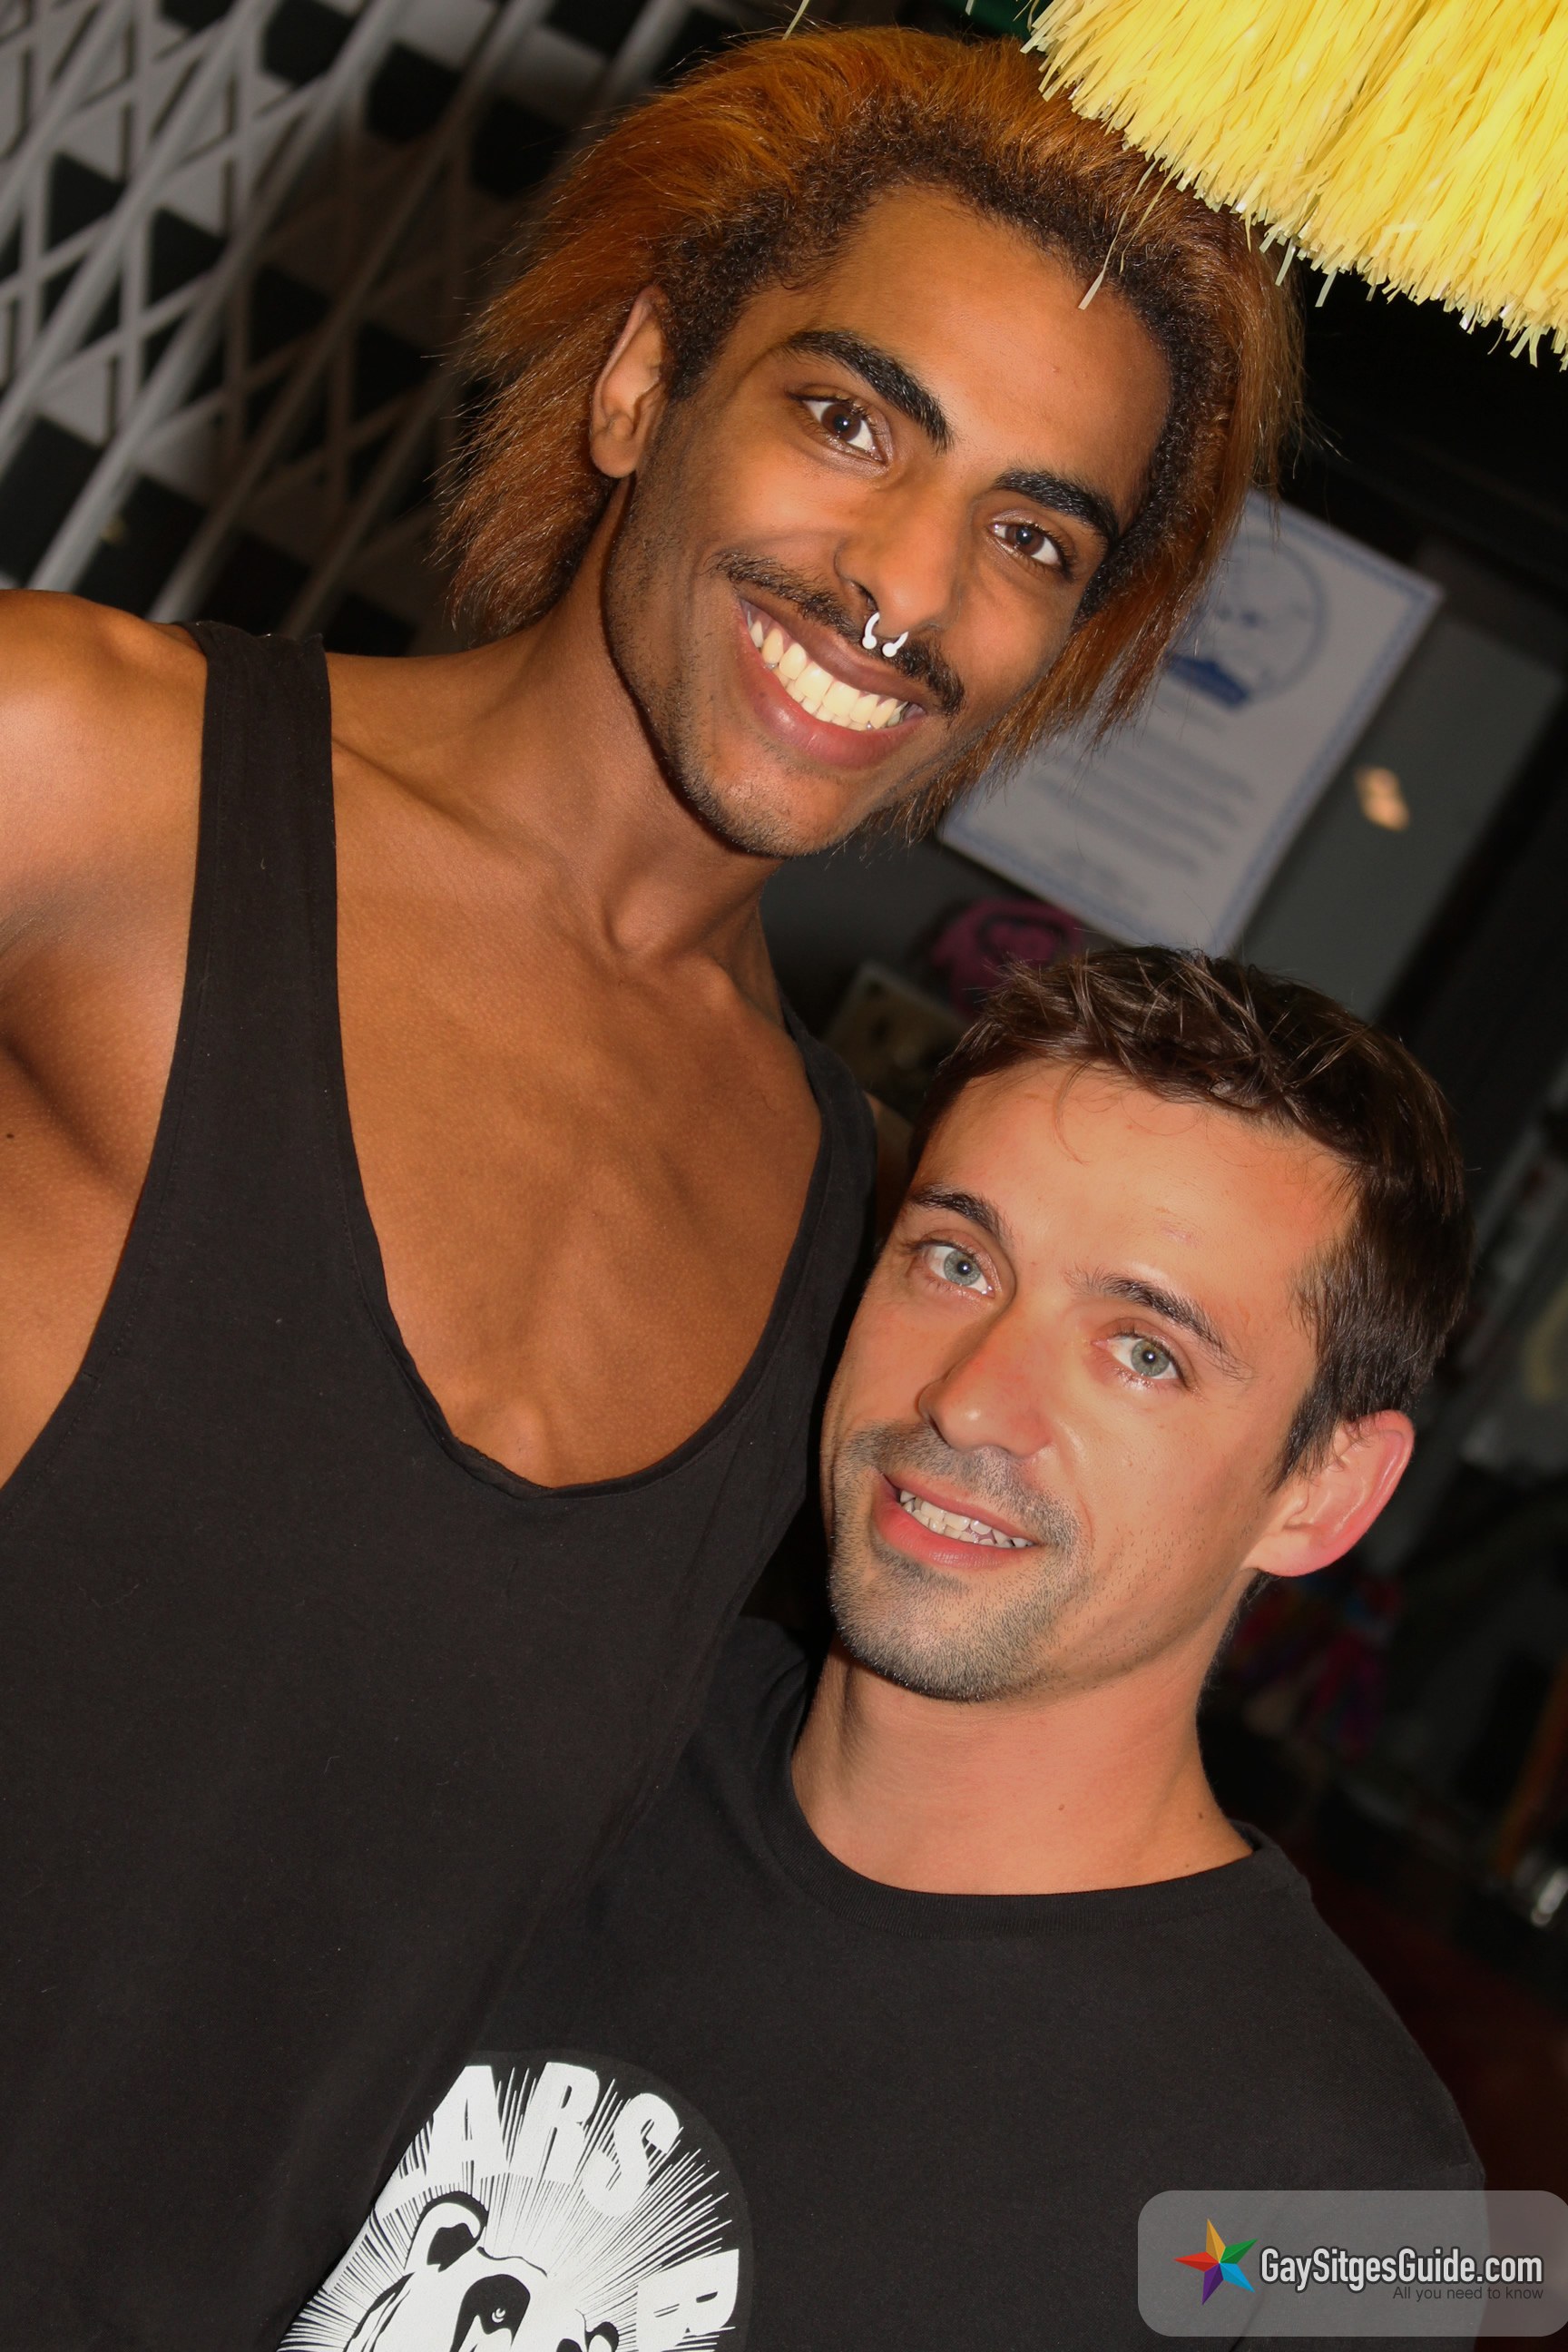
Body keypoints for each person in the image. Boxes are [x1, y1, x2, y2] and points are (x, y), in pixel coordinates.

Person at [0, 29, 1299, 2349]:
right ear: (637, 387)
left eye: (1032, 537)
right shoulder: (80, 787)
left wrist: (1346, 2199)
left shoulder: (862, 1254)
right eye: (851, 420)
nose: (907, 584)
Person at [285, 950, 1478, 2352]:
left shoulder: (1341, 2201)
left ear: (1324, 1491)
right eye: (958, 1263)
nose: (972, 1400)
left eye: (1144, 1351)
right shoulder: (547, 1715)